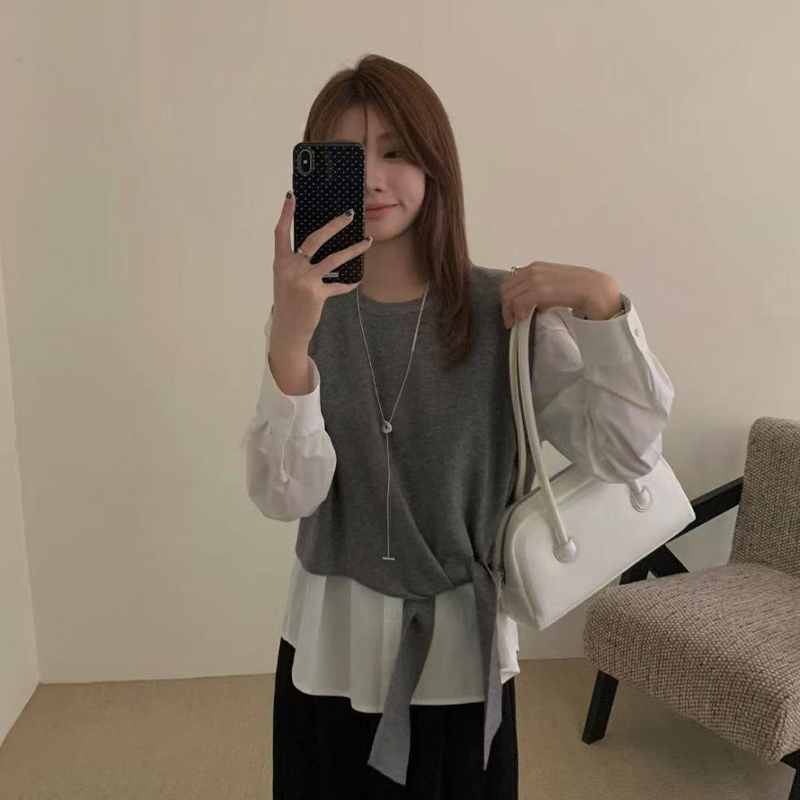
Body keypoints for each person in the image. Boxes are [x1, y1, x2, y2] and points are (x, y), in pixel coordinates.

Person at [241, 53, 674, 799]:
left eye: (396, 152)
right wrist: (287, 343)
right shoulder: (306, 315)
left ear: (435, 165)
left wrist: (603, 302)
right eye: (348, 157)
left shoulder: (504, 312)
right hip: (333, 641)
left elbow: (625, 454)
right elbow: (286, 498)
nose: (373, 179)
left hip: (459, 651)